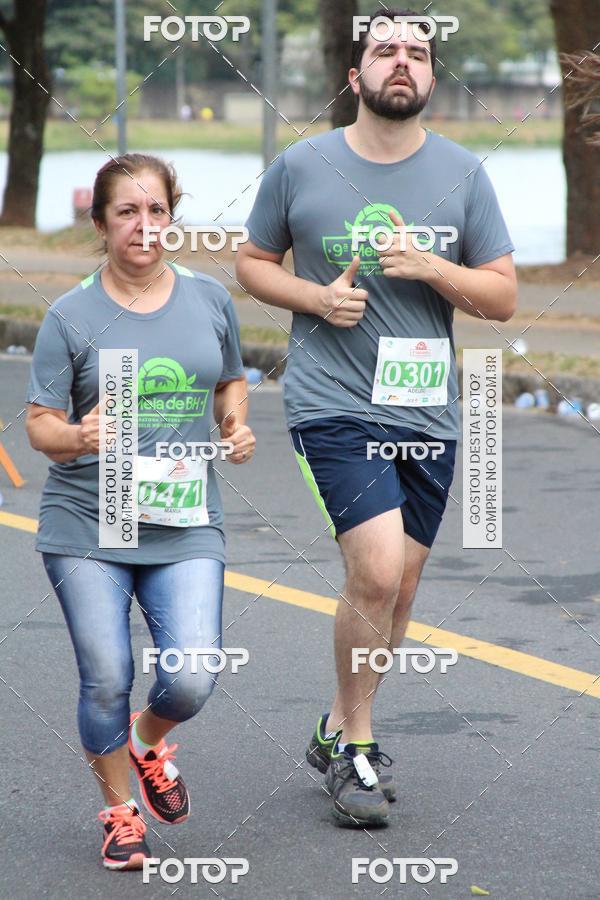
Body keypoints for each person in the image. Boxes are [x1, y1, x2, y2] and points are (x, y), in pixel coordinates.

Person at [236, 8, 516, 827]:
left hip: (428, 410)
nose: (403, 61)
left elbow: (502, 298)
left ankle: (335, 726)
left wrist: (432, 266)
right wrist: (315, 298)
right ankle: (356, 749)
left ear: (432, 76)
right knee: (379, 570)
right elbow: (252, 262)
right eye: (386, 49)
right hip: (333, 402)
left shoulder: (464, 174)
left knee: (402, 585)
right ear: (355, 74)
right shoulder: (302, 164)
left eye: (418, 53)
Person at [25, 153, 256, 868]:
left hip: (185, 520)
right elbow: (39, 426)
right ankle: (120, 813)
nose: (144, 225)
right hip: (89, 522)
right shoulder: (70, 316)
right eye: (127, 211)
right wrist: (78, 435)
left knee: (192, 674)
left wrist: (235, 424)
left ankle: (147, 740)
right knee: (106, 675)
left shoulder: (208, 298)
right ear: (100, 224)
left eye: (156, 210)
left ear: (172, 218)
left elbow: (230, 378)